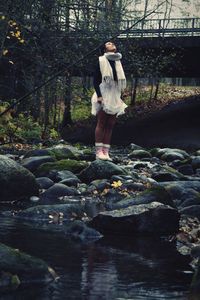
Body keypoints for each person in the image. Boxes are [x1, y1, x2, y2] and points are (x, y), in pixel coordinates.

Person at [91, 41, 127, 161]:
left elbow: (119, 80)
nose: (111, 43)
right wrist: (100, 96)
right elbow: (96, 80)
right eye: (108, 43)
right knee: (102, 122)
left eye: (112, 43)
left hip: (115, 94)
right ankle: (98, 152)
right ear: (105, 49)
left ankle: (106, 152)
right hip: (104, 92)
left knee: (110, 124)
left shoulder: (118, 61)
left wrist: (121, 94)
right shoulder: (101, 60)